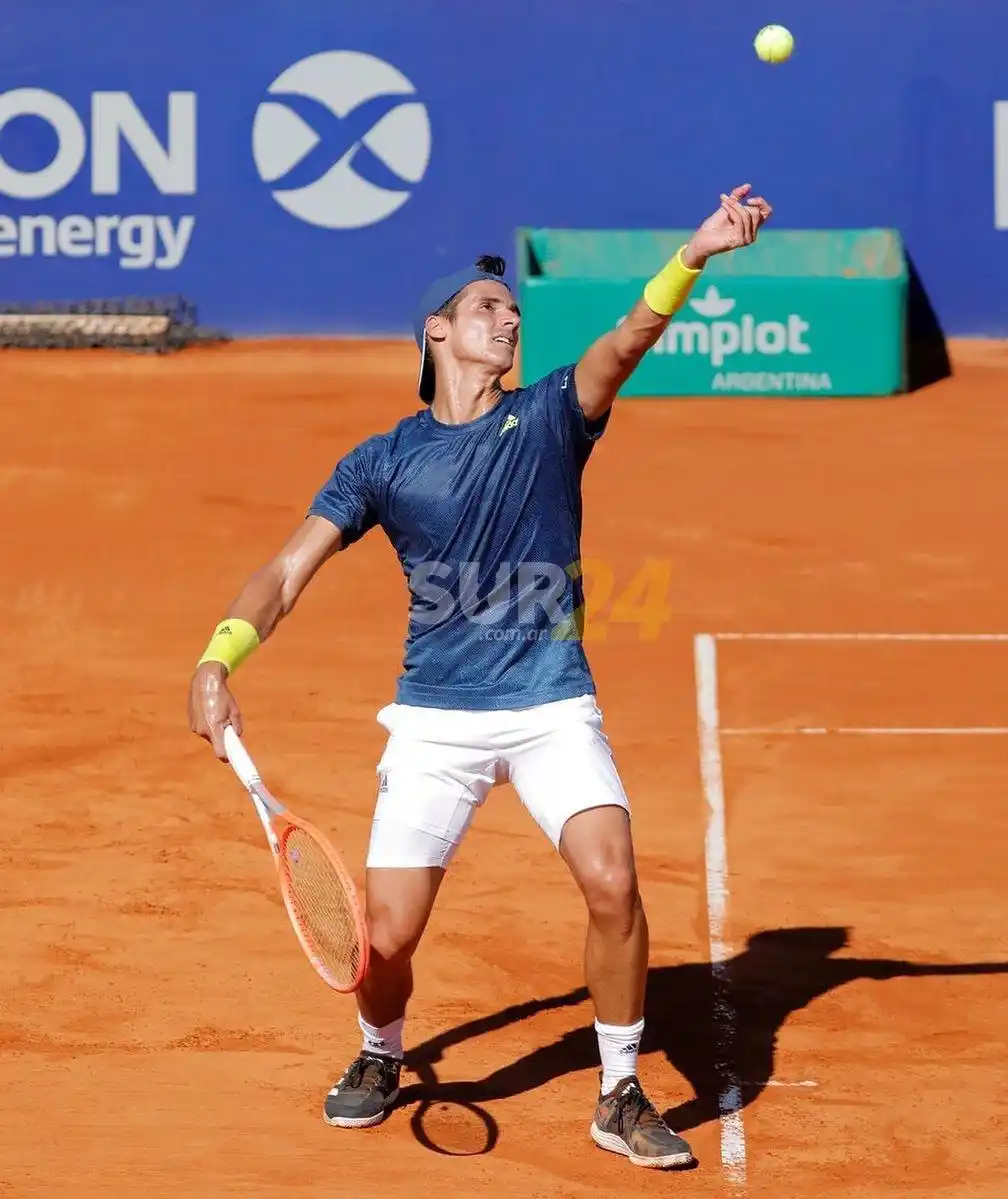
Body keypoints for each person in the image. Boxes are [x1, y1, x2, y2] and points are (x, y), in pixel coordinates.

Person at [187, 184, 772, 1169]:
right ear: (439, 333)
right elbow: (287, 569)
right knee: (384, 935)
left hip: (551, 704)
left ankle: (618, 1089)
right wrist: (219, 654)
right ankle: (381, 1050)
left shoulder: (549, 415)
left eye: (512, 311)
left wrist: (695, 253)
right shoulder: (382, 460)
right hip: (435, 721)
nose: (508, 319)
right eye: (487, 309)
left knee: (613, 878)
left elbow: (624, 342)